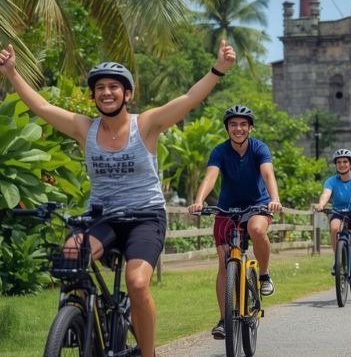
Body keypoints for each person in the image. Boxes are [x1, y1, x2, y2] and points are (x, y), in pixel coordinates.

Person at [0, 41, 236, 356]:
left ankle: (147, 352)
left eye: (114, 87)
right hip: (103, 217)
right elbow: (42, 107)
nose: (107, 92)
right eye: (100, 88)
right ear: (93, 95)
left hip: (145, 217)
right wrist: (12, 73)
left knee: (137, 283)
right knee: (71, 256)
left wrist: (219, 67)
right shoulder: (84, 128)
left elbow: (189, 98)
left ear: (127, 94)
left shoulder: (147, 124)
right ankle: (82, 321)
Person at [187, 104, 282, 340]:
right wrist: (199, 200)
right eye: (233, 124)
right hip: (227, 208)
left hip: (258, 205)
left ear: (250, 128)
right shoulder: (219, 151)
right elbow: (211, 176)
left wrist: (275, 199)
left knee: (256, 228)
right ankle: (223, 319)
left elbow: (268, 174)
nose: (238, 129)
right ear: (227, 128)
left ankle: (264, 274)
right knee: (224, 263)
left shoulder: (259, 148)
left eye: (243, 124)